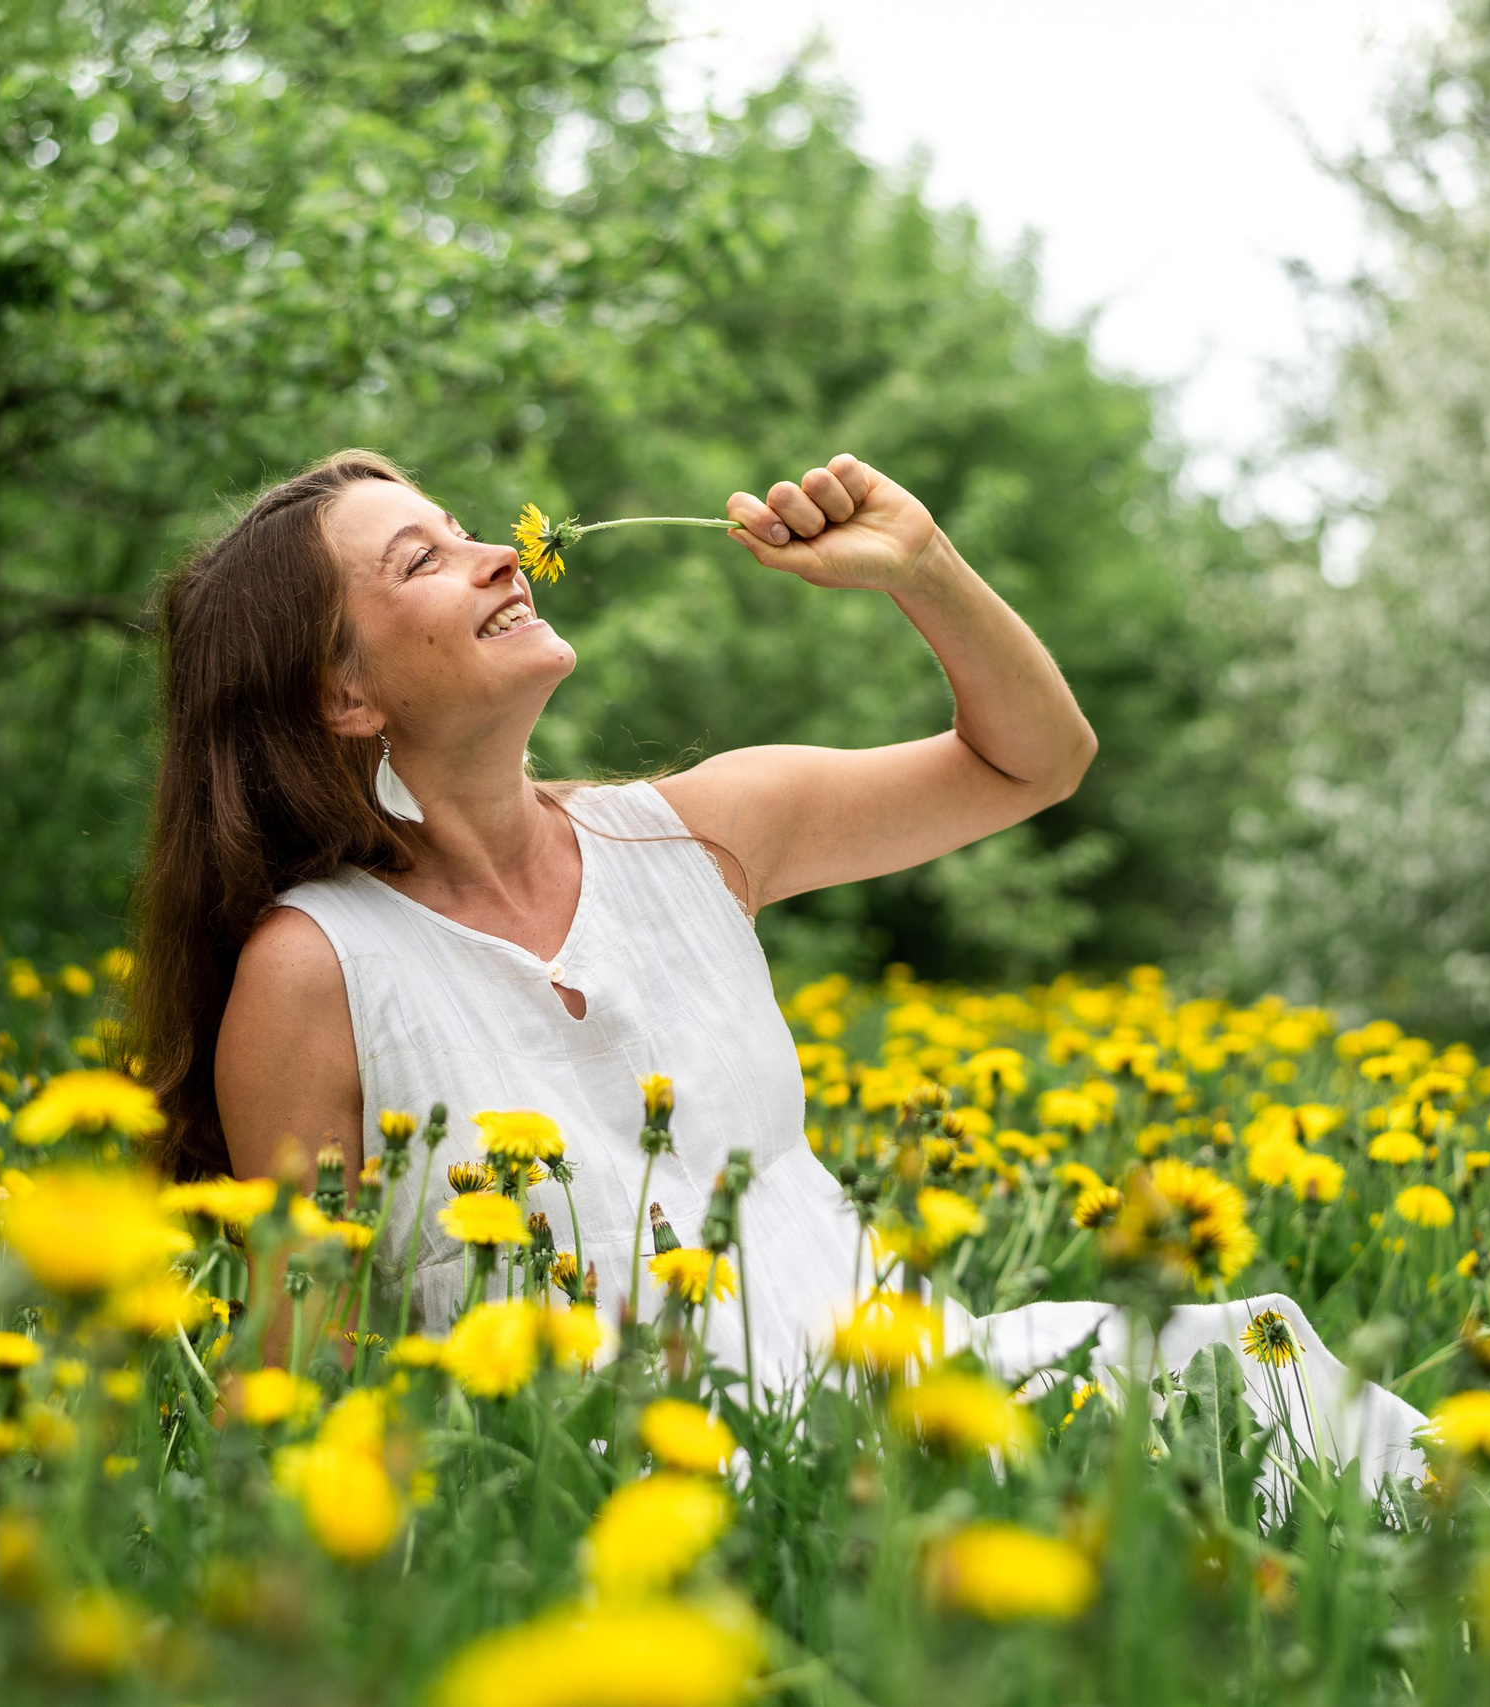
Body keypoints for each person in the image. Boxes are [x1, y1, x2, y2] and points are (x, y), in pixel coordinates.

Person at [132, 449, 1421, 1488]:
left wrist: (924, 567)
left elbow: (1038, 759)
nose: (492, 553)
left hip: (921, 1402)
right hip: (640, 1495)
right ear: (344, 695)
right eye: (421, 558)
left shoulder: (700, 833)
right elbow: (304, 1375)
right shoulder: (316, 970)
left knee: (1263, 1415)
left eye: (467, 525)